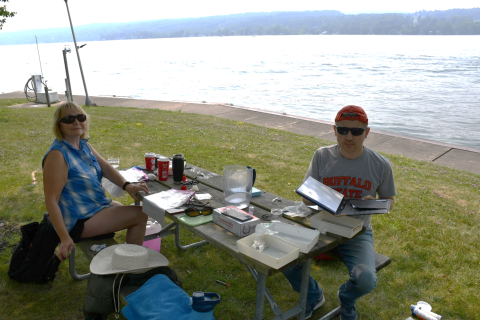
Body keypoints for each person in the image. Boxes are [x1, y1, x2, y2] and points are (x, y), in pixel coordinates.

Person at [282, 105, 396, 320]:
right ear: (334, 130)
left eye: (356, 131)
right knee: (285, 260)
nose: (349, 137)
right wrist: (318, 197)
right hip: (320, 224)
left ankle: (347, 298)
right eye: (342, 130)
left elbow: (389, 201)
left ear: (367, 132)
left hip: (356, 231)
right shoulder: (322, 155)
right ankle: (313, 296)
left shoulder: (380, 164)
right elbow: (306, 197)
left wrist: (374, 203)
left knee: (366, 280)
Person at [43, 102, 149, 263]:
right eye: (69, 119)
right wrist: (64, 237)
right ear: (59, 125)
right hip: (78, 221)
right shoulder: (58, 155)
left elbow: (105, 167)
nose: (76, 122)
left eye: (80, 117)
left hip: (93, 208)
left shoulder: (83, 146)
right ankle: (132, 265)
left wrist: (128, 186)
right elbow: (51, 200)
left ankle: (127, 258)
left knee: (121, 208)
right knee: (141, 213)